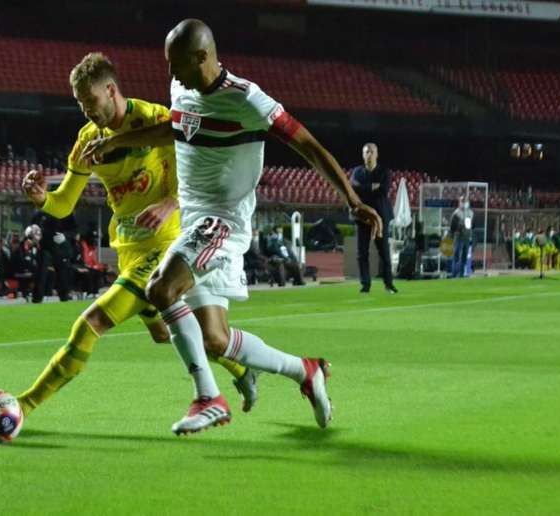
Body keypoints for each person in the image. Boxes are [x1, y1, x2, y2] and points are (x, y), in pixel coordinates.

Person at [83, 19, 382, 434]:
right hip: (193, 219)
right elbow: (176, 126)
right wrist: (118, 142)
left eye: (177, 64)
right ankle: (306, 371)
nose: (170, 75)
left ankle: (209, 397)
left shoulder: (247, 100)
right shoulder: (182, 88)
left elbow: (309, 145)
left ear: (203, 57)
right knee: (214, 340)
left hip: (222, 221)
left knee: (160, 290)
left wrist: (353, 199)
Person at [16, 52, 255, 420]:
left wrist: (171, 203)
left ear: (111, 90)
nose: (86, 110)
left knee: (89, 325)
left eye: (90, 101)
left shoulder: (155, 120)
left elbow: (203, 166)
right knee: (166, 334)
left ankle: (21, 406)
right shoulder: (86, 141)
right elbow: (64, 205)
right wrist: (43, 199)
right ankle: (242, 369)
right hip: (130, 249)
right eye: (79, 103)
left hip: (165, 247)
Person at [350, 143, 396, 293]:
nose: (368, 154)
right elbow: (353, 188)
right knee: (361, 253)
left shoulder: (385, 171)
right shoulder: (357, 171)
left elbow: (383, 190)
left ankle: (388, 284)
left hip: (381, 217)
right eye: (366, 152)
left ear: (377, 154)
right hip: (363, 217)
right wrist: (372, 187)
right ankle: (365, 285)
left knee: (384, 252)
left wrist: (364, 188)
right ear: (363, 155)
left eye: (371, 152)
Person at [449, 195, 474, 278]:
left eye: (465, 201)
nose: (464, 203)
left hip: (466, 235)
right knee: (456, 253)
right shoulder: (456, 213)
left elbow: (473, 225)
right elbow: (452, 226)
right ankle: (454, 273)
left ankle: (462, 273)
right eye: (463, 201)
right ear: (460, 202)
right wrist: (457, 230)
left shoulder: (470, 213)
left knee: (464, 254)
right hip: (458, 235)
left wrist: (469, 228)